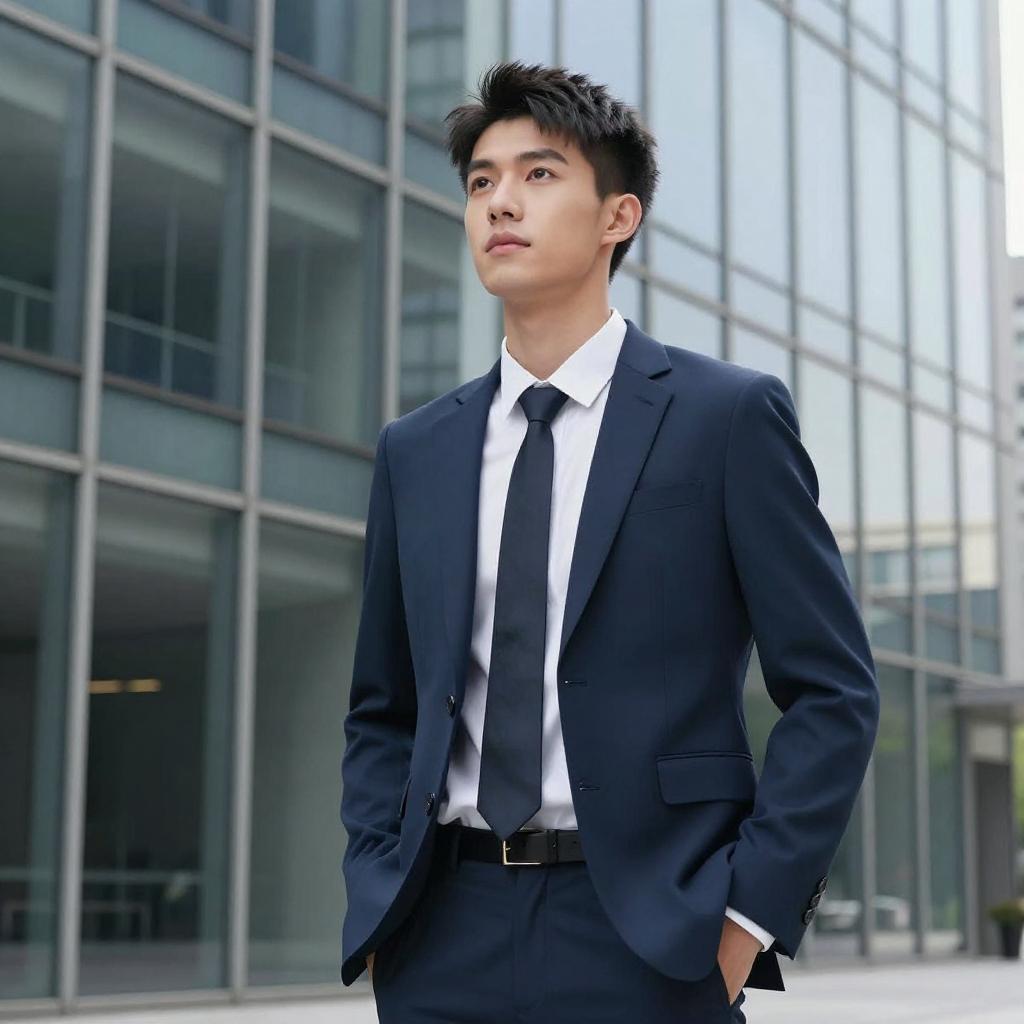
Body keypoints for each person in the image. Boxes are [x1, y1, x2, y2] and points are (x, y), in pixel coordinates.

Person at [340, 60, 880, 1022]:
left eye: (538, 174)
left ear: (617, 217)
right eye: (481, 180)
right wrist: (379, 896)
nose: (501, 200)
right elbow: (384, 706)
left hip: (647, 935)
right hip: (438, 933)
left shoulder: (726, 418)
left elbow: (834, 691)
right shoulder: (415, 450)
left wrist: (745, 917)